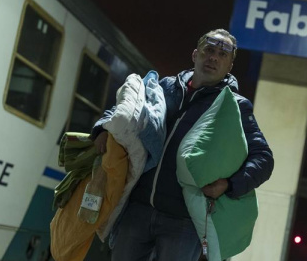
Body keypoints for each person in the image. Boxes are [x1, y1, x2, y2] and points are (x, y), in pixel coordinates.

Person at [90, 28, 274, 261]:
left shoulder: (234, 107)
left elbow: (264, 158)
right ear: (195, 54)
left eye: (222, 54)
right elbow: (124, 110)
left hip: (184, 222)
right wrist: (102, 128)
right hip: (138, 208)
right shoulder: (166, 88)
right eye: (209, 50)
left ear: (229, 67)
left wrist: (229, 185)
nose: (214, 57)